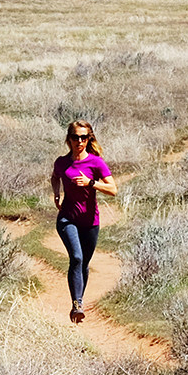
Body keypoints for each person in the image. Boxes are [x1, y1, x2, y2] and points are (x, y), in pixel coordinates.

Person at [51, 120, 117, 322]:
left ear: (89, 139)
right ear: (68, 139)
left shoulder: (96, 162)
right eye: (75, 137)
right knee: (77, 258)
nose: (79, 141)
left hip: (90, 221)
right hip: (67, 219)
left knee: (84, 264)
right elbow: (54, 177)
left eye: (83, 137)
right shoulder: (62, 162)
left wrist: (91, 183)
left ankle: (79, 300)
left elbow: (113, 189)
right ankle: (77, 305)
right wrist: (56, 194)